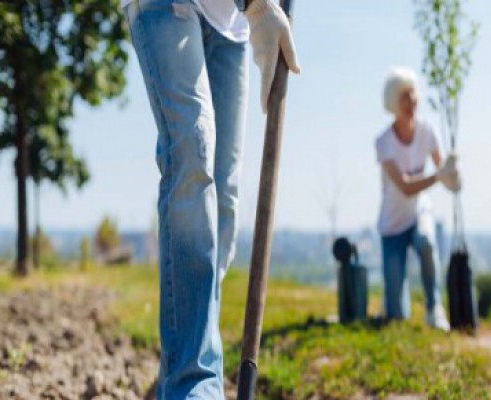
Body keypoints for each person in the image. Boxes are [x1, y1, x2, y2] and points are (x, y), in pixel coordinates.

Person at [121, 0, 300, 398]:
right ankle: (194, 380)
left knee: (222, 203)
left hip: (229, 28)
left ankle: (180, 363)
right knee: (192, 157)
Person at [375, 67, 460, 331]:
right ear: (393, 103)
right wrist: (439, 176)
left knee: (426, 242)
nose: (411, 102)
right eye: (404, 97)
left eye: (413, 96)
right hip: (392, 224)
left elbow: (443, 169)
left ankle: (434, 308)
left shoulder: (427, 131)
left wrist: (453, 174)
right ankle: (392, 302)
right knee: (396, 316)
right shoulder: (384, 143)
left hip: (418, 213)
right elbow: (405, 187)